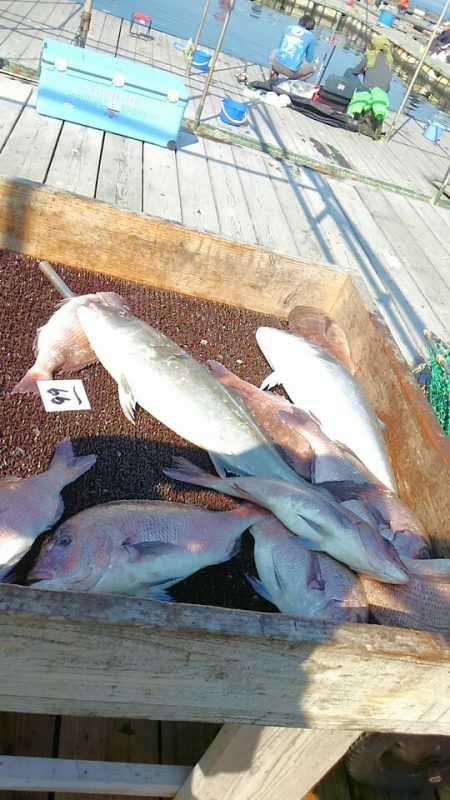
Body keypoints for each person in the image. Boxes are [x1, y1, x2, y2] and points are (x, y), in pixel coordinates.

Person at [347, 35, 394, 140]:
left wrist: (365, 69)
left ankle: (348, 103)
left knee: (349, 72)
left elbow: (355, 71)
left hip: (367, 89)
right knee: (386, 86)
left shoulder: (370, 55)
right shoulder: (390, 59)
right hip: (382, 92)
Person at [269, 14, 316, 83]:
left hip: (276, 65)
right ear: (311, 26)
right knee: (313, 70)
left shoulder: (288, 28)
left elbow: (280, 48)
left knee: (275, 51)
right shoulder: (310, 36)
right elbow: (309, 59)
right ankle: (293, 81)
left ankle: (274, 73)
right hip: (291, 72)